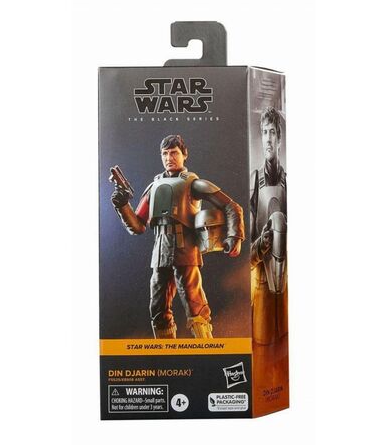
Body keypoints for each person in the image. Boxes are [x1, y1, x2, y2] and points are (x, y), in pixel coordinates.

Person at [111, 134, 245, 339]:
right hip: (160, 252)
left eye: (174, 153)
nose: (169, 158)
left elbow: (231, 206)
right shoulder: (154, 187)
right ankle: (166, 352)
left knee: (195, 305)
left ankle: (206, 349)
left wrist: (234, 236)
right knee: (158, 309)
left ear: (184, 154)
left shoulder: (193, 183)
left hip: (186, 249)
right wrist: (122, 206)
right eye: (164, 153)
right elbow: (137, 226)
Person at [250, 107, 288, 345]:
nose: (268, 138)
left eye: (272, 132)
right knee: (262, 345)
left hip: (285, 287)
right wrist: (260, 246)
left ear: (279, 139)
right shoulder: (255, 181)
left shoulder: (289, 182)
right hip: (262, 283)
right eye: (264, 132)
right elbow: (245, 251)